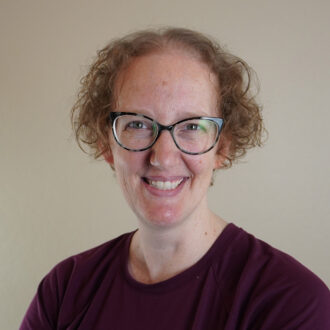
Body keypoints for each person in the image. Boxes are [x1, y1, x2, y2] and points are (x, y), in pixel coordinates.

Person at [20, 27, 330, 330]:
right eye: (138, 124)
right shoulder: (64, 291)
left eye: (192, 126)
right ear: (107, 144)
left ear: (222, 146)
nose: (163, 157)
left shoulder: (291, 302)